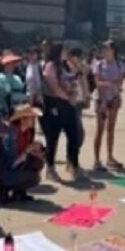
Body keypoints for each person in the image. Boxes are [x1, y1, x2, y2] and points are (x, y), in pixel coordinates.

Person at [40, 43, 85, 181]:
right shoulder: (50, 66)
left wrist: (74, 94)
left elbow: (76, 78)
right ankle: (50, 168)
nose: (66, 52)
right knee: (53, 138)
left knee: (74, 134)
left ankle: (73, 164)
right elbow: (53, 87)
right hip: (54, 104)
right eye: (64, 50)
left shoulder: (66, 65)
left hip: (68, 103)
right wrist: (67, 96)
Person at [0, 104, 45, 203]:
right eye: (31, 118)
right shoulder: (11, 135)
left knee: (37, 163)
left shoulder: (28, 132)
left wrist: (35, 152)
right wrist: (27, 151)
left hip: (13, 166)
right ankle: (2, 190)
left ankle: (18, 192)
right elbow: (10, 162)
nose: (34, 120)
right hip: (2, 170)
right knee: (33, 177)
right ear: (23, 120)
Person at [91, 41, 124, 171]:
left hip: (114, 98)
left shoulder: (119, 64)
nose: (105, 51)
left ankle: (110, 156)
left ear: (113, 50)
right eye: (104, 49)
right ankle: (96, 159)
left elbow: (120, 82)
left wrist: (109, 85)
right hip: (101, 99)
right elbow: (97, 83)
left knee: (111, 129)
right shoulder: (98, 64)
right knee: (100, 130)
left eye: (107, 48)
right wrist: (110, 84)